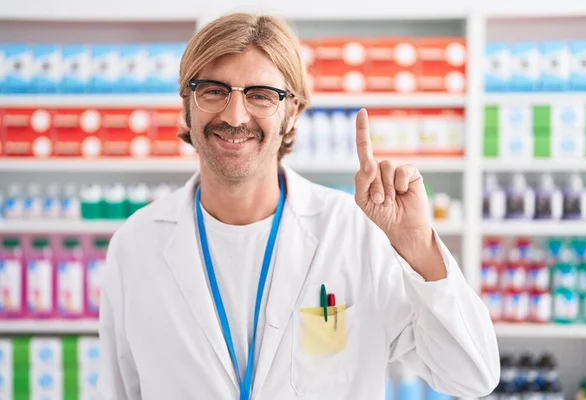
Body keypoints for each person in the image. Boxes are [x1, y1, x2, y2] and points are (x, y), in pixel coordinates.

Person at [97, 12, 500, 400]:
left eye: (261, 95)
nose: (235, 115)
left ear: (292, 112)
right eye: (214, 90)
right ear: (187, 105)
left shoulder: (354, 233)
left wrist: (417, 246)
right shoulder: (136, 245)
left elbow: (472, 374)